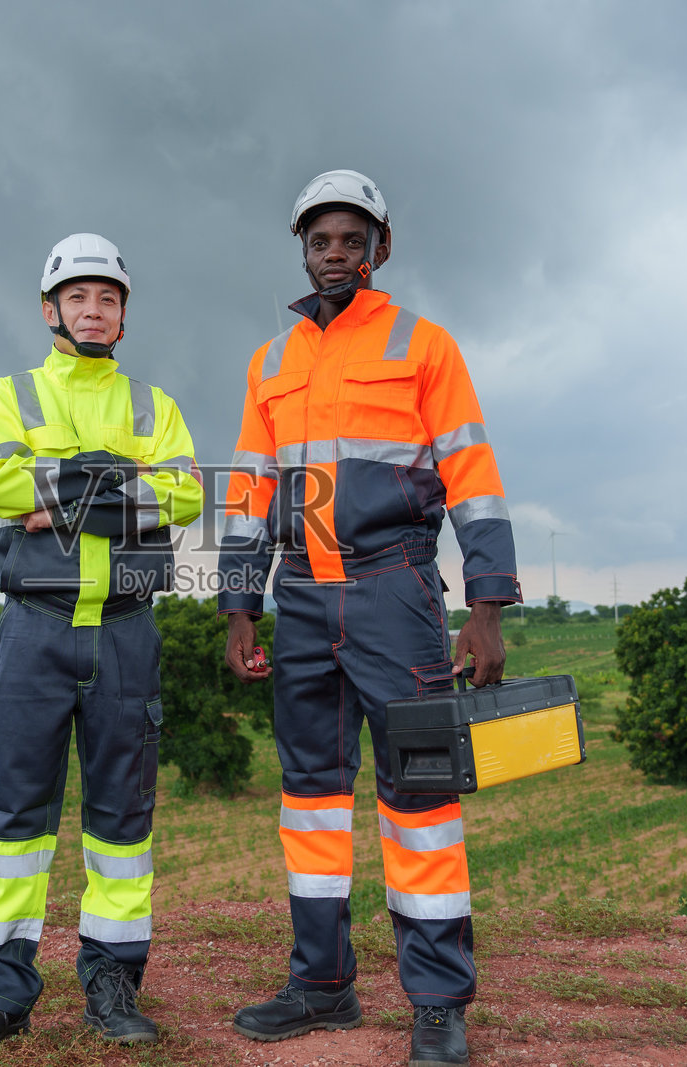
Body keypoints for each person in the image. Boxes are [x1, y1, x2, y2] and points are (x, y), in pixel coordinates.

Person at [216, 171, 521, 1067]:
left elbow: (472, 471)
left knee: (419, 795)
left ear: (381, 248)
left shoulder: (424, 345)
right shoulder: (268, 363)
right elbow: (246, 492)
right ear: (303, 252)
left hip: (396, 591)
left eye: (353, 240)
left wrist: (487, 607)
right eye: (321, 241)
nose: (336, 254)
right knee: (311, 797)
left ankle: (437, 1001)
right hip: (301, 599)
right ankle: (322, 984)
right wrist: (241, 606)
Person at [0, 233, 203, 1051]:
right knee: (12, 818)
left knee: (123, 821)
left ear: (124, 314)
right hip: (34, 631)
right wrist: (124, 482)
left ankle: (113, 983)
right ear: (50, 308)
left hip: (125, 632)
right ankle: (0, 992)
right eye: (80, 297)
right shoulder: (6, 395)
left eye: (111, 298)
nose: (96, 310)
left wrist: (62, 496)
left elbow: (188, 497)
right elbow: (1, 483)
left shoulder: (154, 404)